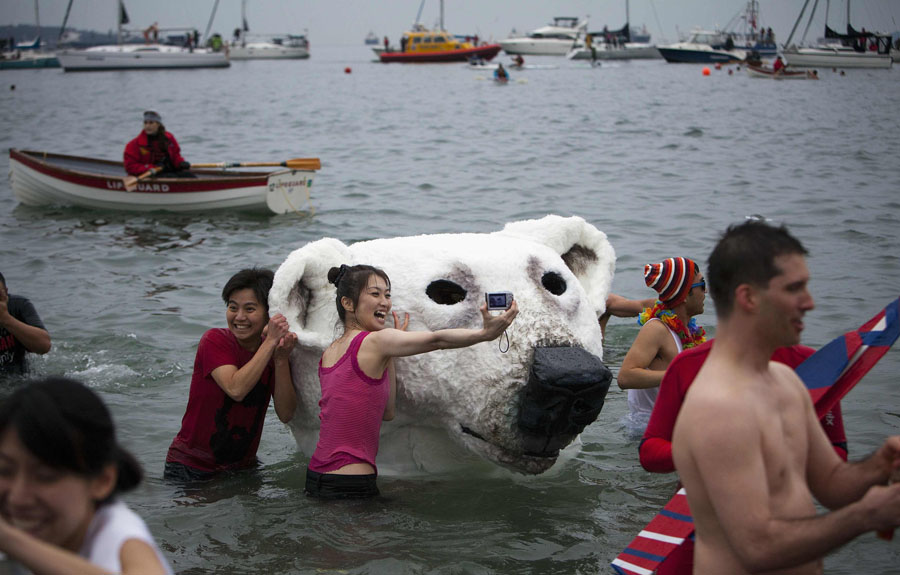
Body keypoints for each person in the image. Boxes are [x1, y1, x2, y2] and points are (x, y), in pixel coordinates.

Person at [672, 220, 900, 574]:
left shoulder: (785, 382)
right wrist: (867, 515)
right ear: (748, 297)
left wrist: (880, 465)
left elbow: (831, 486)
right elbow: (757, 548)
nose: (809, 303)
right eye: (795, 289)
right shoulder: (719, 408)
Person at [305, 264, 517, 499]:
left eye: (387, 295)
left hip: (316, 474)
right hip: (351, 480)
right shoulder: (377, 341)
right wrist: (484, 334)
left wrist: (391, 354)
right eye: (375, 294)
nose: (385, 302)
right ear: (348, 303)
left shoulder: (329, 353)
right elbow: (437, 340)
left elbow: (387, 411)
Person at [640, 339, 849, 575]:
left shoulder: (813, 364)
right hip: (696, 520)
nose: (804, 304)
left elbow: (837, 455)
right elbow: (649, 452)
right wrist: (699, 451)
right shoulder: (689, 363)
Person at [0, 377, 173, 574]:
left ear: (102, 481)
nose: (17, 498)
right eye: (4, 470)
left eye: (45, 476)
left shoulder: (117, 533)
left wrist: (10, 540)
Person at [165, 268, 298, 482]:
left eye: (250, 309)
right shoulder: (215, 340)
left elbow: (286, 413)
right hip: (191, 466)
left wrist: (281, 360)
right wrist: (271, 342)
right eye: (232, 307)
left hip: (244, 468)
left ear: (269, 313)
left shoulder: (272, 352)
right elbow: (236, 389)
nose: (239, 317)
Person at [617, 258, 706, 432]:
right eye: (701, 285)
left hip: (676, 424)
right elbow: (625, 377)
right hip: (647, 429)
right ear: (685, 295)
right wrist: (675, 375)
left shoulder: (689, 331)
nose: (706, 291)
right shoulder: (656, 329)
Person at [0, 272, 51, 376]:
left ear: (6, 292)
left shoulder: (18, 306)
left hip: (20, 378)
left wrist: (6, 319)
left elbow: (44, 346)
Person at [123, 111, 193, 178]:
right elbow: (130, 167)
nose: (147, 126)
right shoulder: (134, 144)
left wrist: (180, 163)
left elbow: (176, 155)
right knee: (170, 177)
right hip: (149, 174)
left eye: (151, 123)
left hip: (167, 171)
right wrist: (150, 168)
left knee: (188, 175)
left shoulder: (169, 138)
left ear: (158, 124)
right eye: (145, 123)